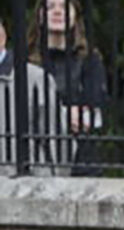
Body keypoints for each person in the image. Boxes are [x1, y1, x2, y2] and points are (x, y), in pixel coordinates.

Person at [27, 0, 108, 176]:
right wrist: (65, 113)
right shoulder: (25, 61)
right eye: (50, 7)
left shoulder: (90, 60)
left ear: (75, 15)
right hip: (35, 158)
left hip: (82, 159)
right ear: (40, 16)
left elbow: (92, 115)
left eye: (64, 7)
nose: (57, 12)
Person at [0, 14, 68, 177]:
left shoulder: (34, 79)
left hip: (20, 189)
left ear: (1, 36)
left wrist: (44, 185)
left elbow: (57, 143)